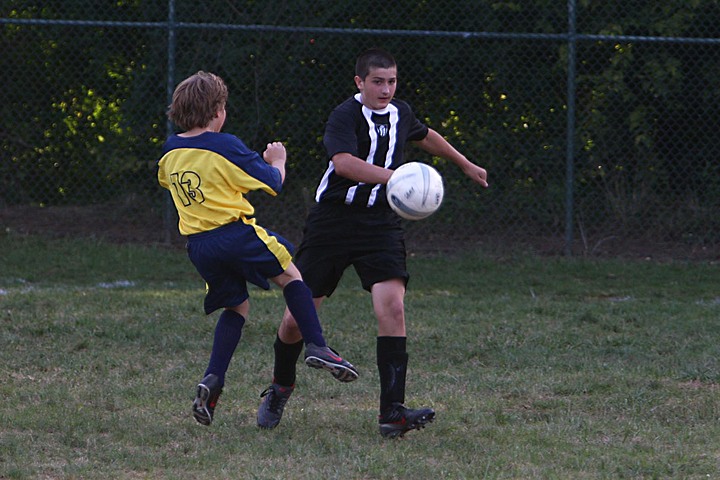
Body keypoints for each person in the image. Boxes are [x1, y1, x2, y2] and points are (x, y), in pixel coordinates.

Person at [256, 49, 489, 437]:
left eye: (392, 81)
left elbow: (426, 135)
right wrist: (396, 178)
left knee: (393, 307)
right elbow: (344, 163)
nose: (385, 89)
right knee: (296, 318)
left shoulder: (401, 112)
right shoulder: (344, 116)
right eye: (377, 82)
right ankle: (281, 386)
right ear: (359, 82)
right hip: (332, 222)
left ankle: (392, 413)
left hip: (380, 225)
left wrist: (464, 163)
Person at [157, 71, 358, 427]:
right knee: (292, 275)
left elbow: (169, 179)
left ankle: (212, 380)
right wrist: (276, 159)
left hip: (199, 246)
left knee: (237, 306)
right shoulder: (226, 144)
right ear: (217, 111)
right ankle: (317, 346)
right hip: (234, 234)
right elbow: (272, 183)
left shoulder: (171, 150)